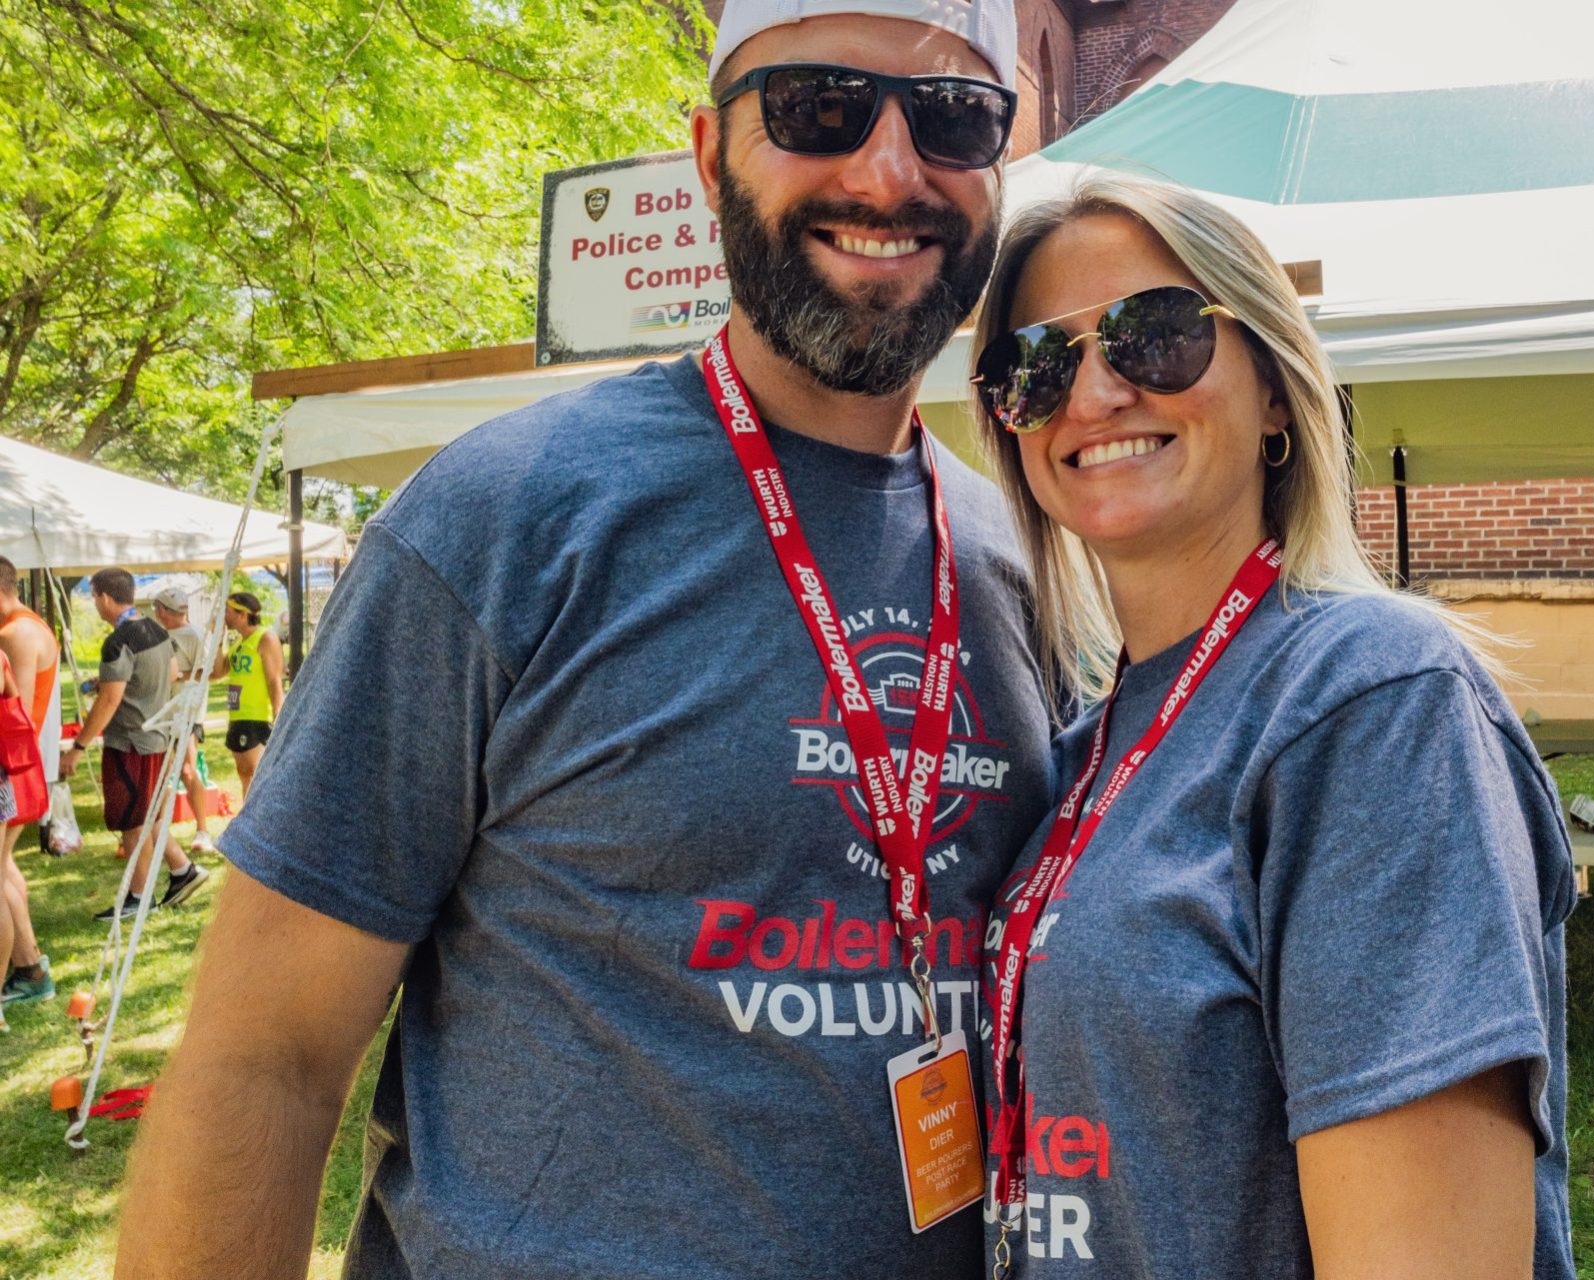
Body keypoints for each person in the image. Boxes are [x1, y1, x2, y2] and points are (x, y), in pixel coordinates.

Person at [117, 3, 1053, 1277]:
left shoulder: (1021, 557)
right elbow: (261, 1060)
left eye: (951, 117)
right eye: (814, 108)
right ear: (707, 154)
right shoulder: (503, 515)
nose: (888, 171)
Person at [968, 176, 1575, 1278]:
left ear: (1274, 392)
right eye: (1034, 365)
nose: (1092, 391)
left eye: (1151, 334)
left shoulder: (1370, 697)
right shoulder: (1077, 750)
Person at [68, 568, 210, 921]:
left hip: (131, 743)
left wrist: (78, 747)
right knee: (148, 815)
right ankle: (183, 872)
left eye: (92, 596)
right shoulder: (156, 629)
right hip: (157, 738)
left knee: (133, 822)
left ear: (103, 597)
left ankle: (137, 899)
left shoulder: (119, 640)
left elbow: (109, 702)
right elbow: (174, 671)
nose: (93, 602)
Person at [0, 556, 59, 1011]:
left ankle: (27, 972)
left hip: (12, 765)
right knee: (5, 870)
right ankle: (30, 967)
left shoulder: (14, 634)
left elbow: (11, 711)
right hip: (20, 766)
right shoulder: (32, 624)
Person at [151, 586, 217, 853]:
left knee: (188, 771)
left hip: (186, 713)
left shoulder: (196, 635)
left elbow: (209, 670)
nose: (157, 613)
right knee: (160, 773)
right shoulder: (157, 635)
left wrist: (179, 675)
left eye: (159, 609)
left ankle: (203, 831)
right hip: (161, 713)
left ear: (165, 610)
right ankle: (158, 832)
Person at [210, 590, 283, 798]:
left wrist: (279, 715)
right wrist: (218, 638)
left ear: (242, 614)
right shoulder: (239, 644)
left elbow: (274, 679)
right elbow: (217, 672)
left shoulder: (265, 638)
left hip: (257, 717)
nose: (224, 615)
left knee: (256, 776)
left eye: (228, 610)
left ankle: (263, 823)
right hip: (237, 716)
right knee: (244, 775)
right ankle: (246, 823)